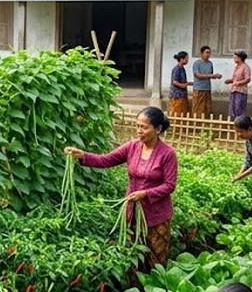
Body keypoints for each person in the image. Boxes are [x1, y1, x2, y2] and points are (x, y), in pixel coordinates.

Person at [65, 107, 177, 268]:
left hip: (156, 217)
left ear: (158, 129)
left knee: (155, 261)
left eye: (144, 127)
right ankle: (133, 291)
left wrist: (145, 193)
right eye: (137, 126)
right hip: (132, 213)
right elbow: (106, 160)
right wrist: (82, 155)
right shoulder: (132, 146)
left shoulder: (167, 154)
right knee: (131, 258)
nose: (139, 131)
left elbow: (169, 185)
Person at [192, 46, 223, 116]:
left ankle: (205, 121)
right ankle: (196, 122)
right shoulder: (197, 63)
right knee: (198, 107)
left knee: (207, 107)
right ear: (201, 53)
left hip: (207, 88)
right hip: (198, 88)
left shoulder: (210, 63)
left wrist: (216, 76)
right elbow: (198, 75)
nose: (208, 54)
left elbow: (210, 75)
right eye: (206, 52)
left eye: (209, 53)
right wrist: (212, 75)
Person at [225, 51, 251, 119]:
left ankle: (240, 123)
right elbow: (234, 79)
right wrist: (230, 81)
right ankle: (234, 123)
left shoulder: (245, 67)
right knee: (232, 109)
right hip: (234, 90)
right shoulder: (237, 67)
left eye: (235, 57)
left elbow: (248, 79)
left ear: (240, 58)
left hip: (241, 91)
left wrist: (238, 83)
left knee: (239, 108)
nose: (234, 59)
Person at [169, 51, 191, 116]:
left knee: (182, 113)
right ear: (181, 59)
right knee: (177, 113)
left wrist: (188, 83)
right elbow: (174, 82)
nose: (187, 60)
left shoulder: (182, 68)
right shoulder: (176, 69)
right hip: (177, 95)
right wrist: (183, 85)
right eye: (186, 58)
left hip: (182, 94)